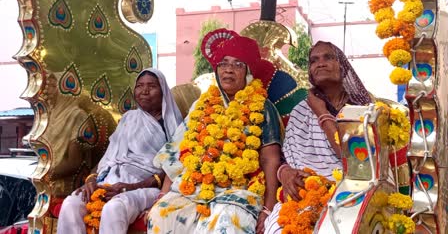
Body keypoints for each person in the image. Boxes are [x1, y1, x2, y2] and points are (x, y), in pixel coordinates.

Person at [147, 29, 283, 234]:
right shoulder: (200, 106)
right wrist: (163, 195)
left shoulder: (263, 108)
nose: (228, 70)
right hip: (195, 187)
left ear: (248, 72)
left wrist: (268, 208)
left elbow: (270, 160)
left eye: (237, 64)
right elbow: (177, 154)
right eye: (224, 64)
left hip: (239, 189)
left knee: (226, 223)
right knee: (161, 216)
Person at [263, 41, 372, 234]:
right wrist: (285, 172)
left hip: (350, 194)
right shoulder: (300, 111)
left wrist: (321, 111)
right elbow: (284, 158)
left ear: (343, 67)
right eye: (314, 60)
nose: (320, 63)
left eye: (328, 57)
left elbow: (351, 158)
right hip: (302, 191)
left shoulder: (362, 108)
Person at [57, 68, 183, 234]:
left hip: (146, 188)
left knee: (114, 207)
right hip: (109, 181)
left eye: (151, 86)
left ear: (163, 92)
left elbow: (172, 170)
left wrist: (129, 187)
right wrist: (91, 181)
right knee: (70, 204)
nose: (144, 90)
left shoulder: (173, 125)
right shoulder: (128, 118)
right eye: (139, 86)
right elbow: (108, 158)